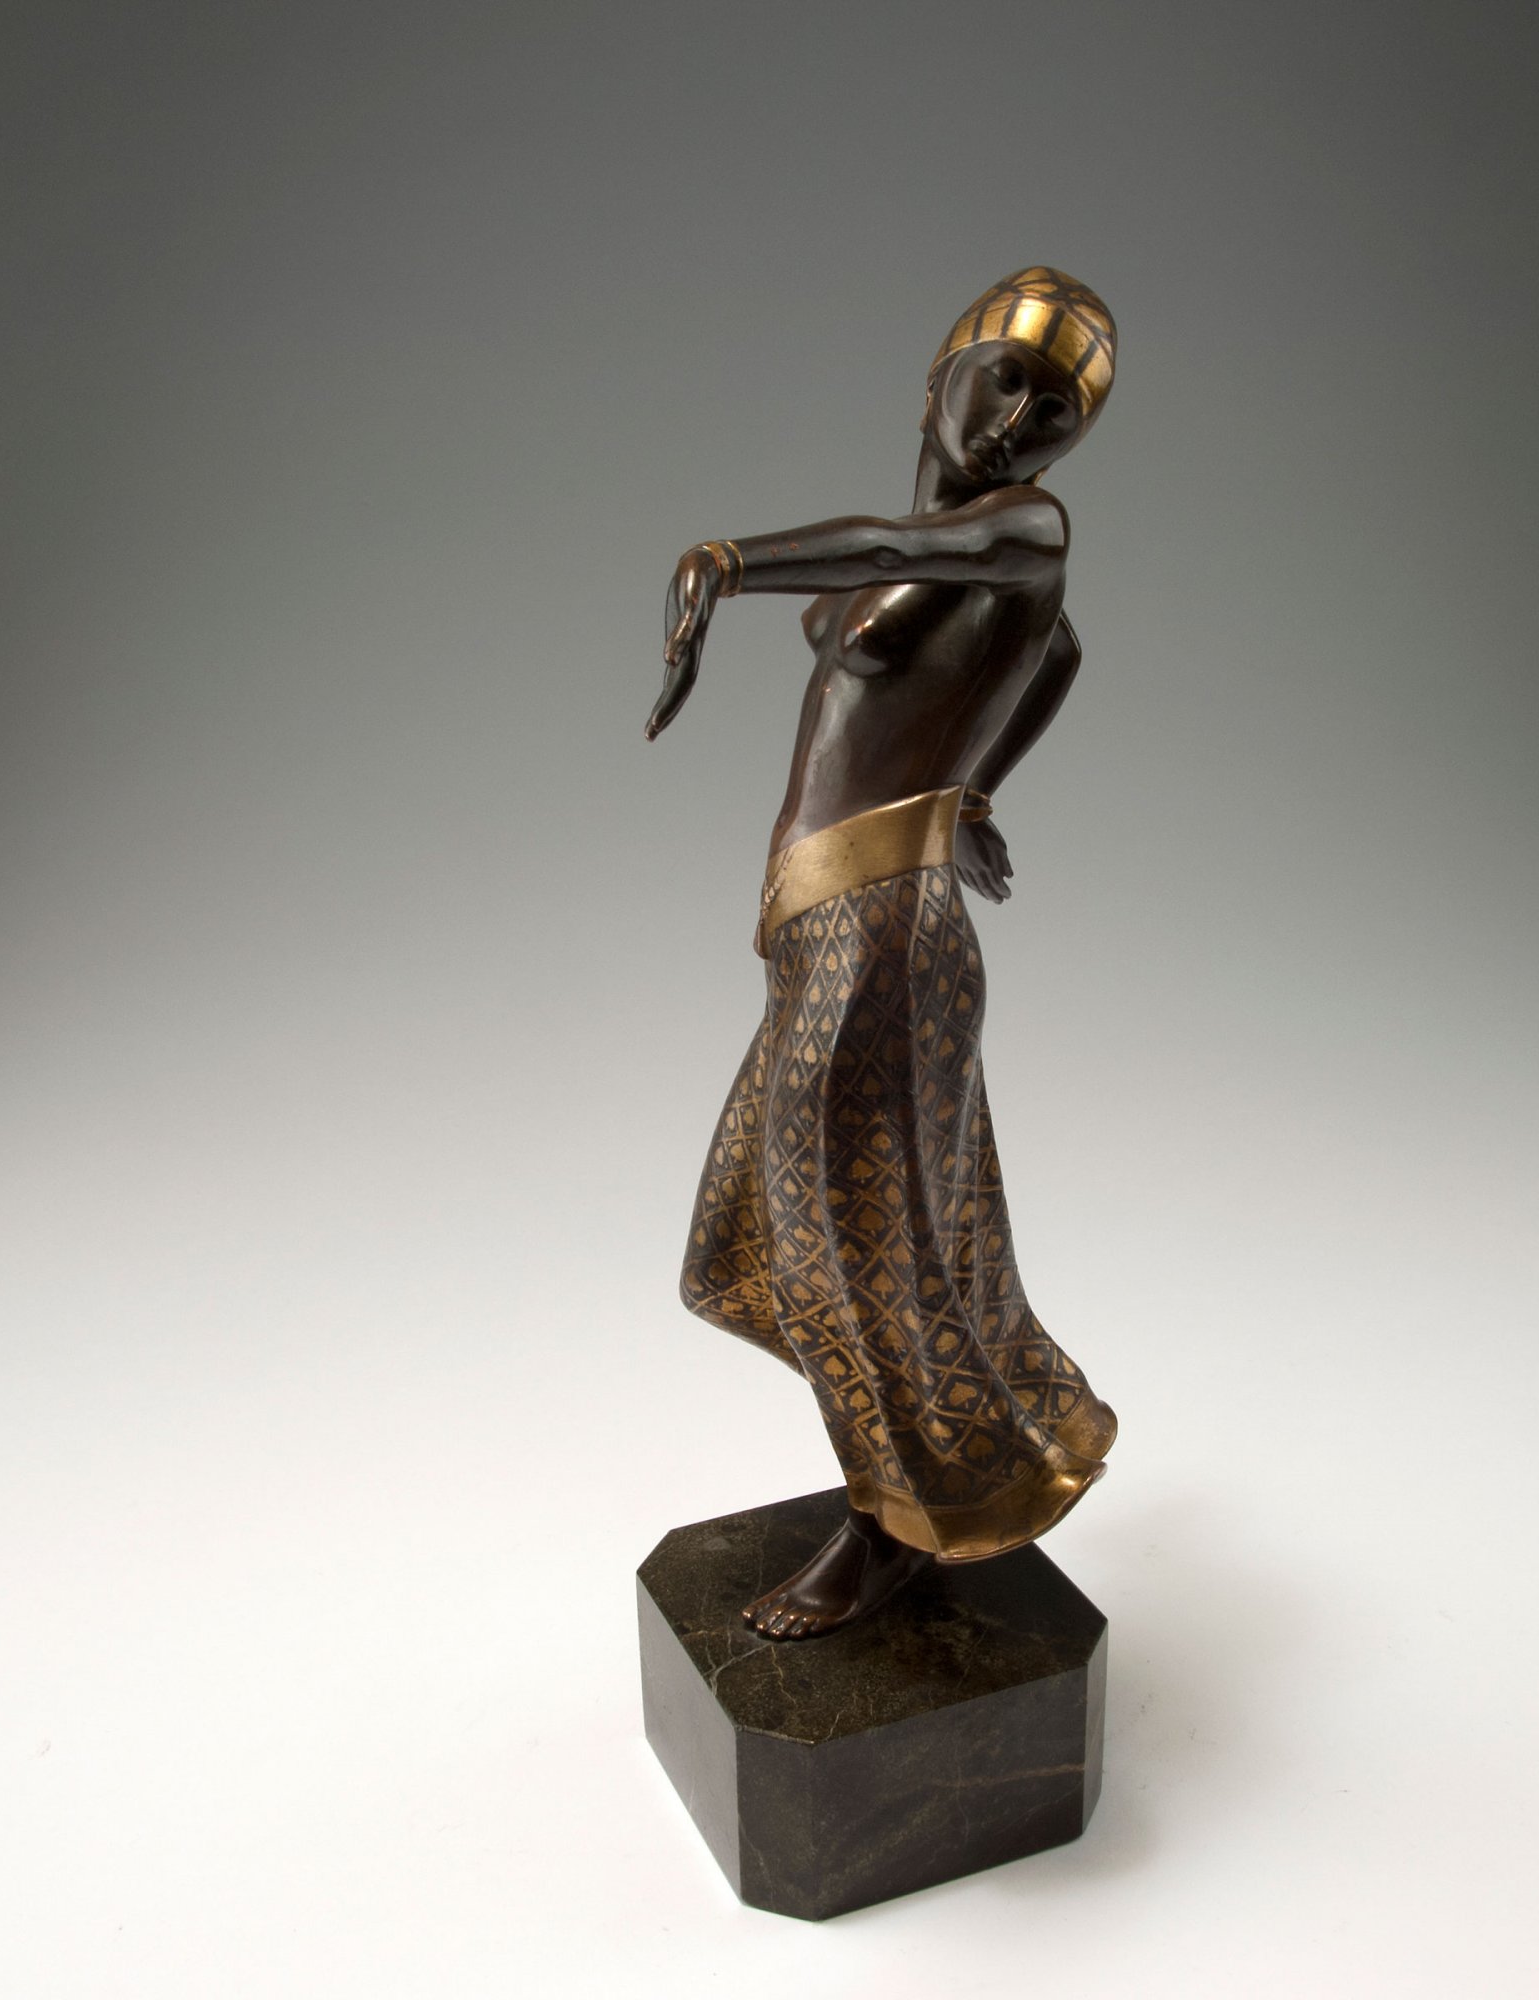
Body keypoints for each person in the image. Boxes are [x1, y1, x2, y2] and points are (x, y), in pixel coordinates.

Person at [646, 268, 1119, 1641]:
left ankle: (893, 1528)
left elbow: (879, 549)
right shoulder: (968, 552)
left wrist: (732, 561)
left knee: (855, 1263)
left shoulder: (1025, 526)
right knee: (742, 1252)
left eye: (1057, 410)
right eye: (1007, 377)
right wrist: (974, 787)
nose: (1021, 421)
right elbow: (1059, 654)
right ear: (942, 371)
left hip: (881, 941)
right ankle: (961, 1437)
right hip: (828, 937)